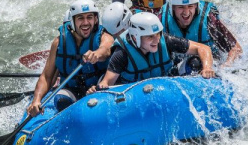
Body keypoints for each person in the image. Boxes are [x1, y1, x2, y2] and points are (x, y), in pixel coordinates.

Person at [87, 12, 215, 93]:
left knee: (195, 62)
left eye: (157, 34)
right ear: (136, 37)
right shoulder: (122, 53)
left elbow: (203, 48)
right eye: (150, 37)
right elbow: (107, 82)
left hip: (166, 83)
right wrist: (98, 88)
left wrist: (207, 68)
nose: (156, 40)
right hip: (133, 92)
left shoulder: (165, 40)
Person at [27, 0, 114, 116]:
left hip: (97, 87)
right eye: (80, 18)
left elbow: (106, 50)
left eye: (89, 17)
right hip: (72, 90)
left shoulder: (104, 36)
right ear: (72, 21)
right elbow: (47, 77)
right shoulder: (58, 43)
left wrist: (97, 54)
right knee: (61, 100)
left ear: (96, 19)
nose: (86, 22)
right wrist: (36, 100)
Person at [160, 0, 242, 72]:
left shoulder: (209, 19)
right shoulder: (161, 20)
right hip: (178, 65)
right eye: (180, 7)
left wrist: (227, 65)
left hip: (211, 62)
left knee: (195, 63)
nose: (186, 13)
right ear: (172, 8)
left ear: (196, 6)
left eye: (190, 6)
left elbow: (236, 49)